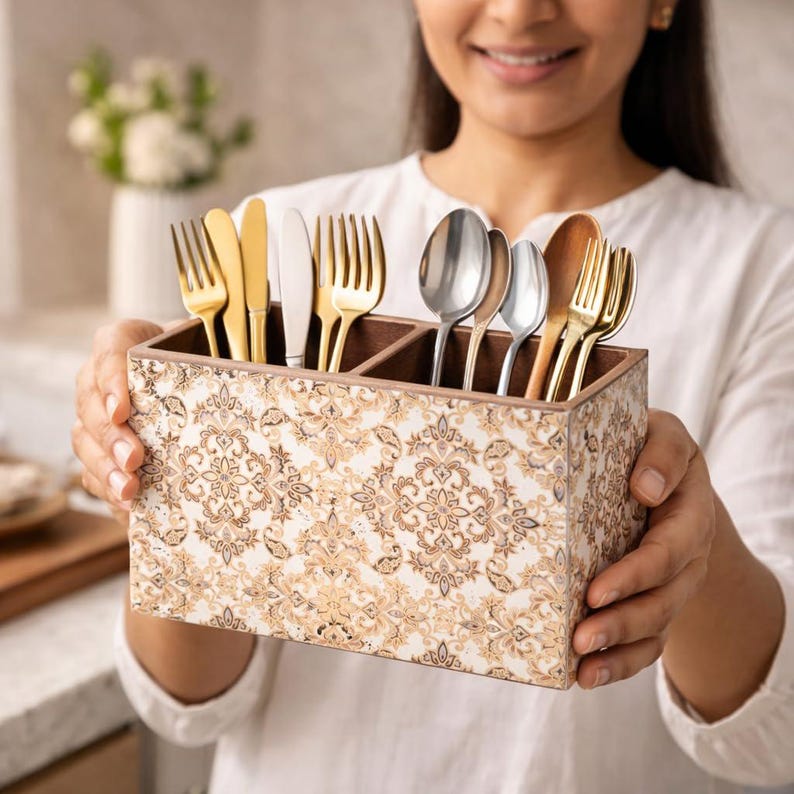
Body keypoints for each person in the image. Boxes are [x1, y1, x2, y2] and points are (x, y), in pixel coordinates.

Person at [72, 1, 794, 792]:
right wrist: (167, 475)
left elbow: (773, 742)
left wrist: (700, 543)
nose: (521, 10)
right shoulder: (279, 235)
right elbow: (186, 703)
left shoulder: (767, 271)